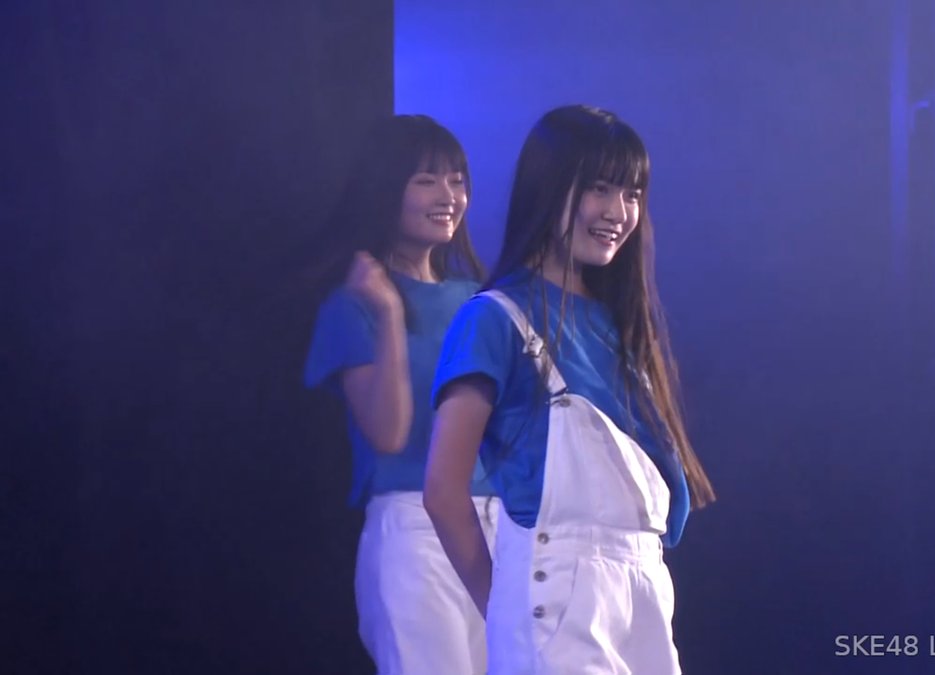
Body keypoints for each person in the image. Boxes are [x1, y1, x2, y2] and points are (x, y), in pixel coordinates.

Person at [424, 104, 715, 674]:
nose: (618, 212)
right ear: (549, 187)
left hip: (644, 585)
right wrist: (503, 604)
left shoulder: (620, 323)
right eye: (599, 188)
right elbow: (442, 488)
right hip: (554, 588)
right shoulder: (496, 317)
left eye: (632, 193)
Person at [302, 114, 497, 675]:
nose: (449, 196)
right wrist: (389, 313)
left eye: (457, 180)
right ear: (386, 187)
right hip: (414, 527)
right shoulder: (354, 305)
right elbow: (388, 434)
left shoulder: (479, 299)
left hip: (499, 525)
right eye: (426, 180)